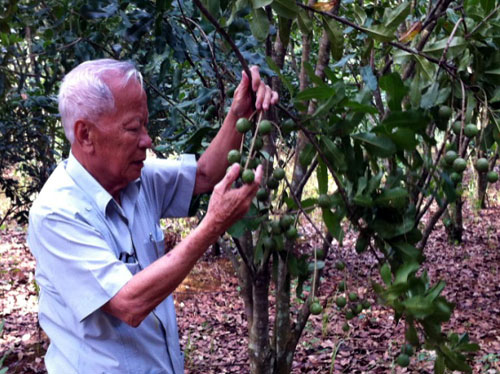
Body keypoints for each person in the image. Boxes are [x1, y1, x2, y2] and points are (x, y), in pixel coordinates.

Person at [27, 58, 278, 373]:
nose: (147, 140)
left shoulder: (136, 179)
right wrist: (213, 225)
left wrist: (239, 114)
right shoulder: (57, 213)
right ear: (86, 134)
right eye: (134, 128)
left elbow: (203, 174)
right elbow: (129, 304)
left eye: (145, 125)